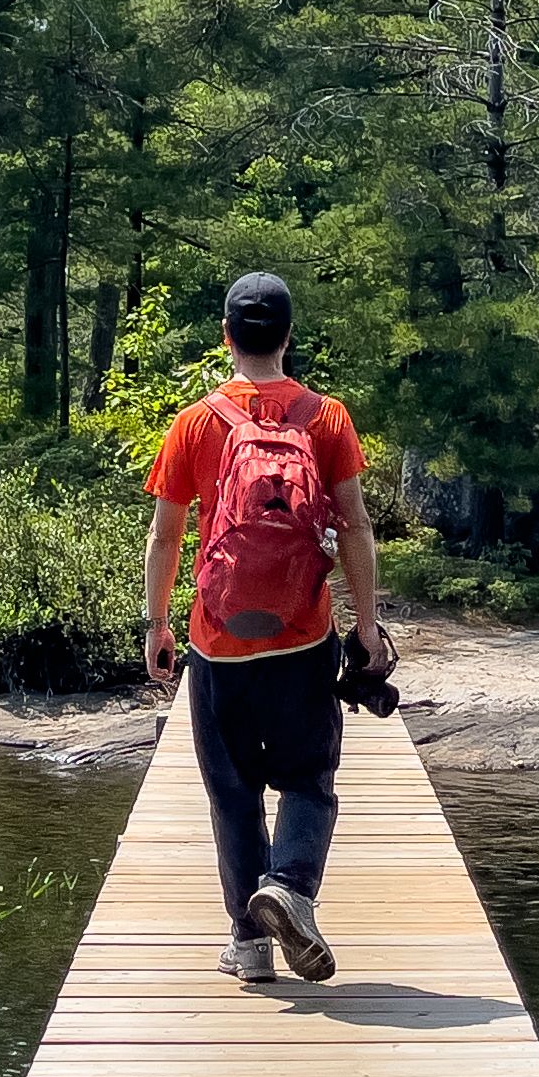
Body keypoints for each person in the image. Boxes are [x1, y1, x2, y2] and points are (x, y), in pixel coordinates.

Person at [141, 272, 394, 985]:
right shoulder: (328, 418)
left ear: (226, 337)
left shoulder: (195, 423)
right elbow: (354, 526)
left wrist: (158, 625)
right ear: (287, 337)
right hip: (303, 639)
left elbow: (166, 537)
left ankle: (248, 945)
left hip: (218, 641)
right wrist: (365, 626)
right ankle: (289, 885)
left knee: (232, 789)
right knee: (309, 782)